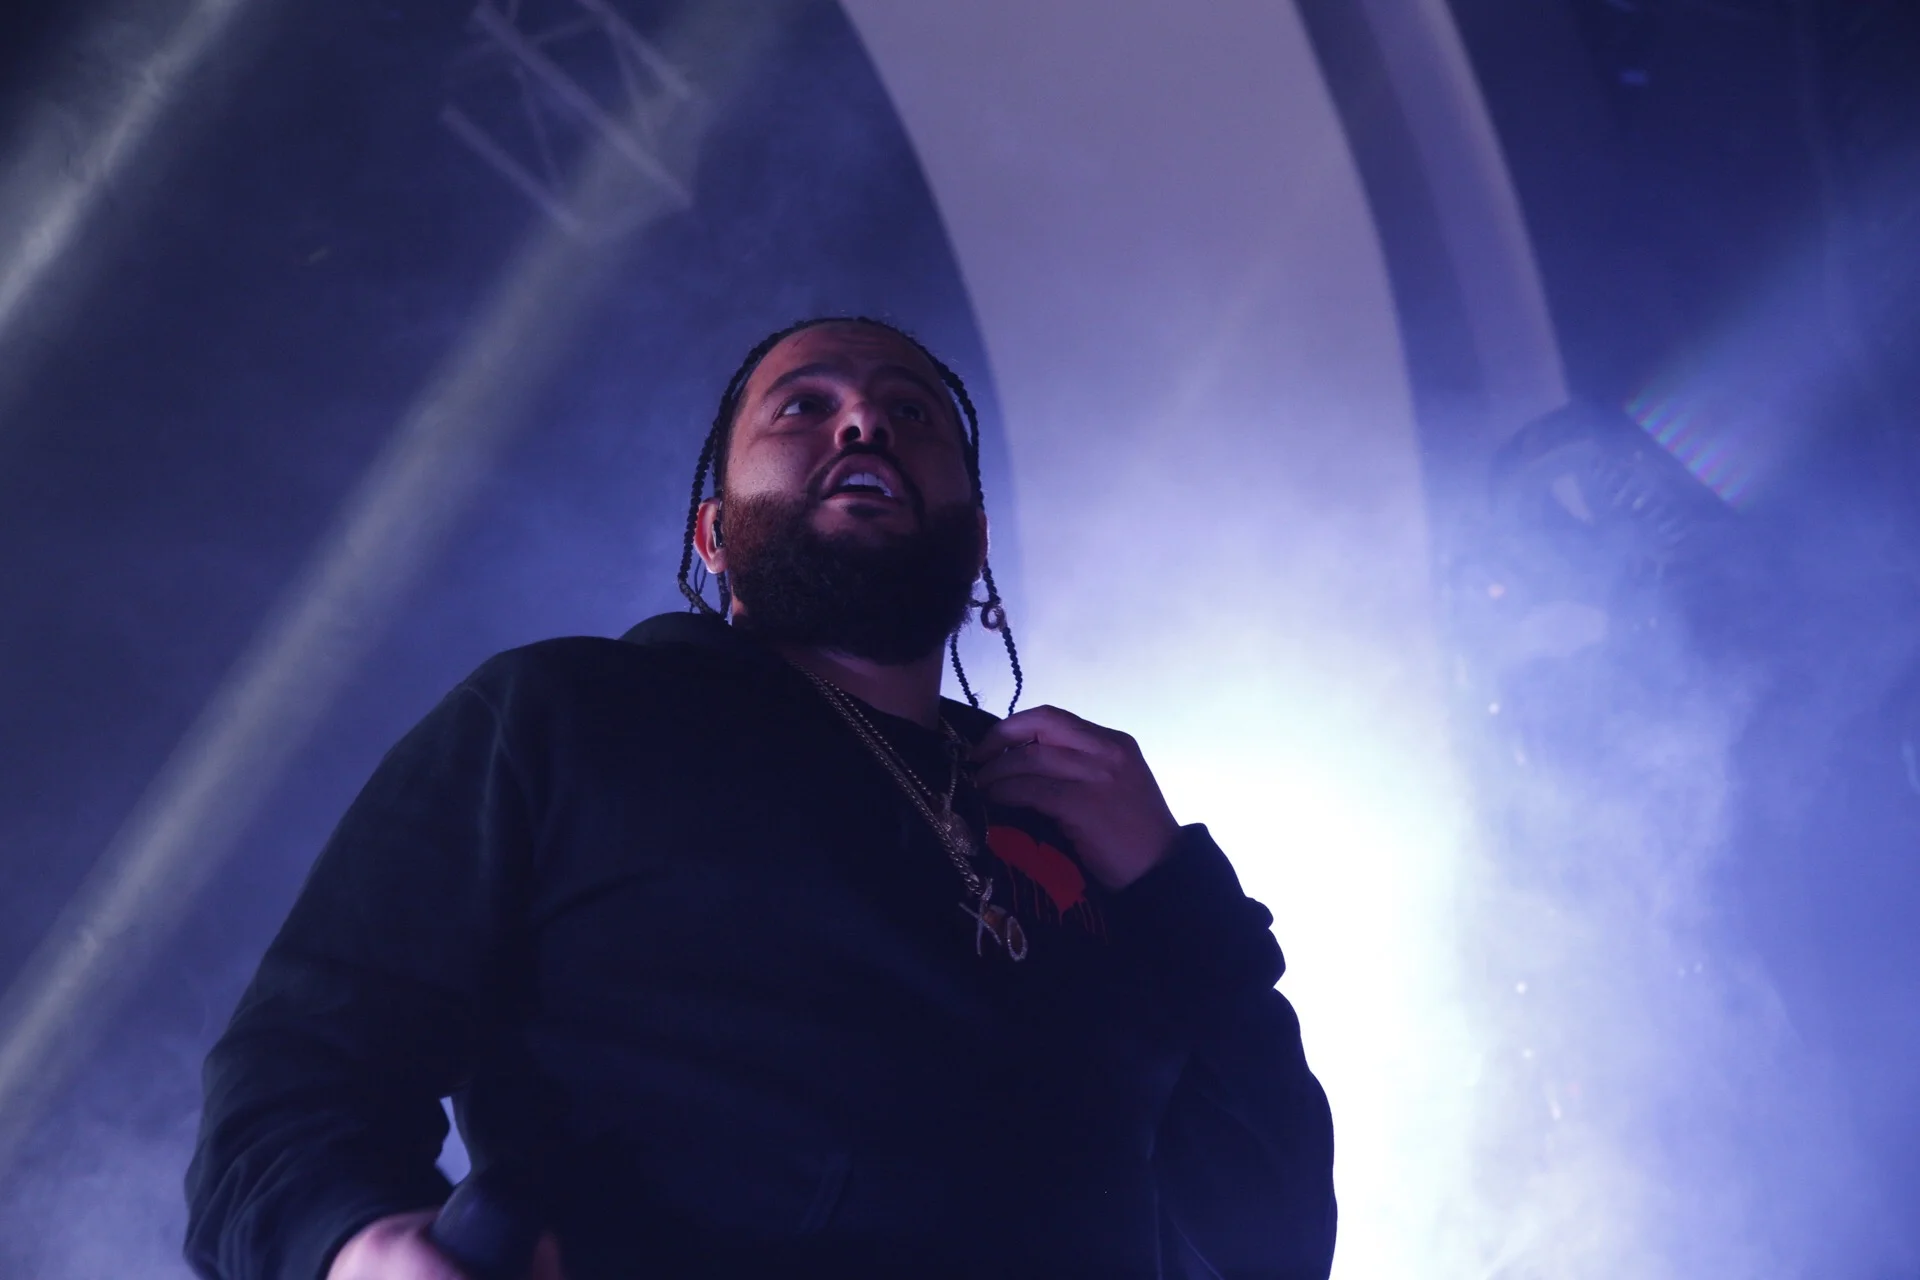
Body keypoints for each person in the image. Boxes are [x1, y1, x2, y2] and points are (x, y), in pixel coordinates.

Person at [184, 317, 1336, 1279]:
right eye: (802, 406)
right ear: (715, 534)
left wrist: (1180, 891)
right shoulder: (565, 713)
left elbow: (1271, 1240)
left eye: (912, 409)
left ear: (978, 538)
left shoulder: (1073, 824)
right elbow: (301, 1066)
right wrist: (357, 1242)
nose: (865, 422)